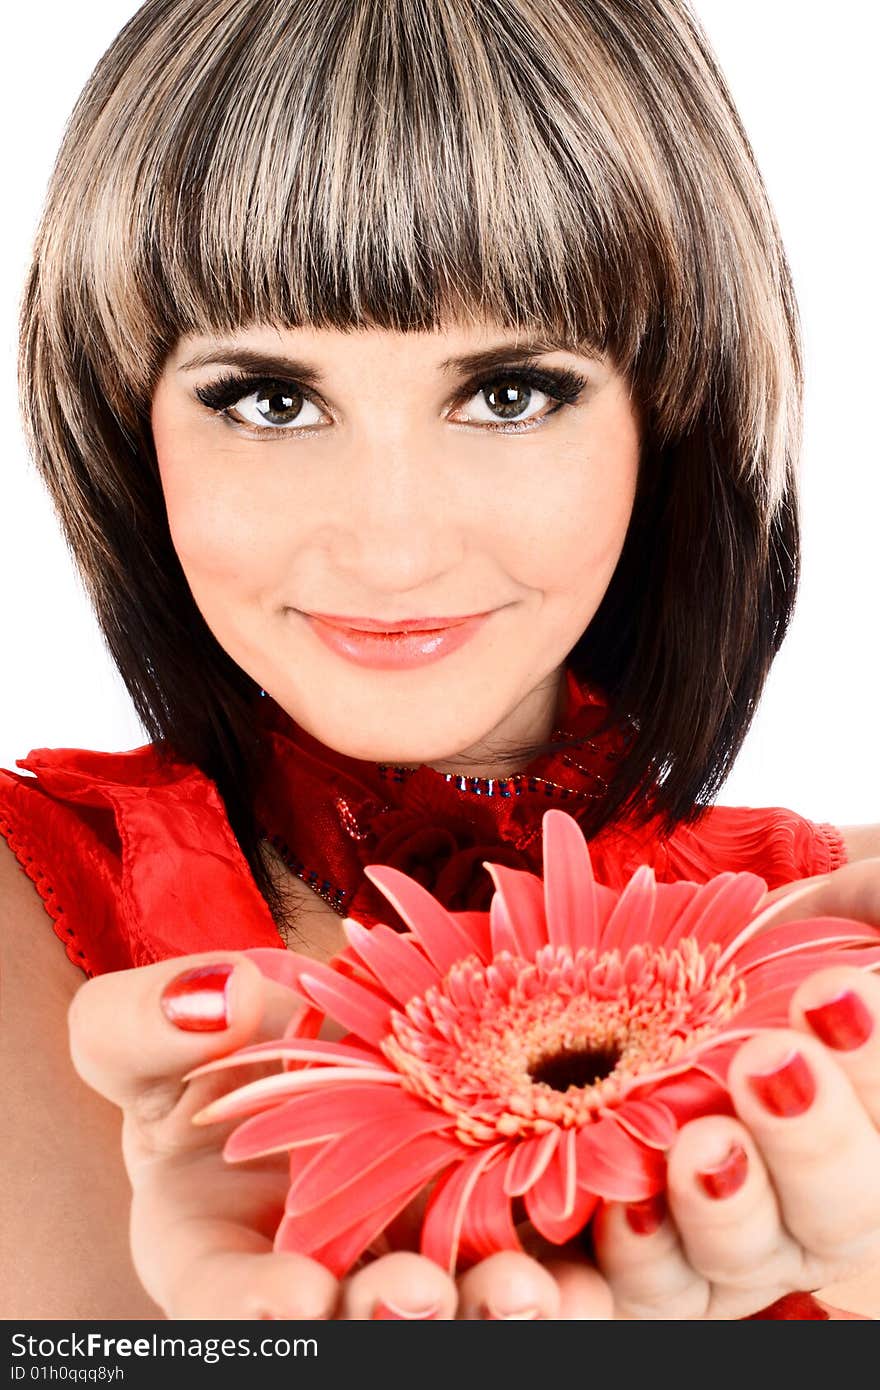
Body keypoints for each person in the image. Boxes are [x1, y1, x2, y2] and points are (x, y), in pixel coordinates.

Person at [1, 0, 878, 1320]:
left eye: (510, 391)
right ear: (127, 427)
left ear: (669, 406)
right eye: (274, 399)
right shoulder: (35, 922)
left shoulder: (831, 976)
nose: (394, 548)